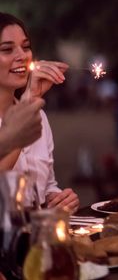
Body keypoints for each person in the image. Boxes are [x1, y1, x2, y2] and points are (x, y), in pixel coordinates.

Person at [0, 12, 79, 213]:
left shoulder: (39, 117)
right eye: (7, 49)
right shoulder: (31, 113)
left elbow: (46, 186)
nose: (22, 56)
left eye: (26, 47)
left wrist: (58, 199)